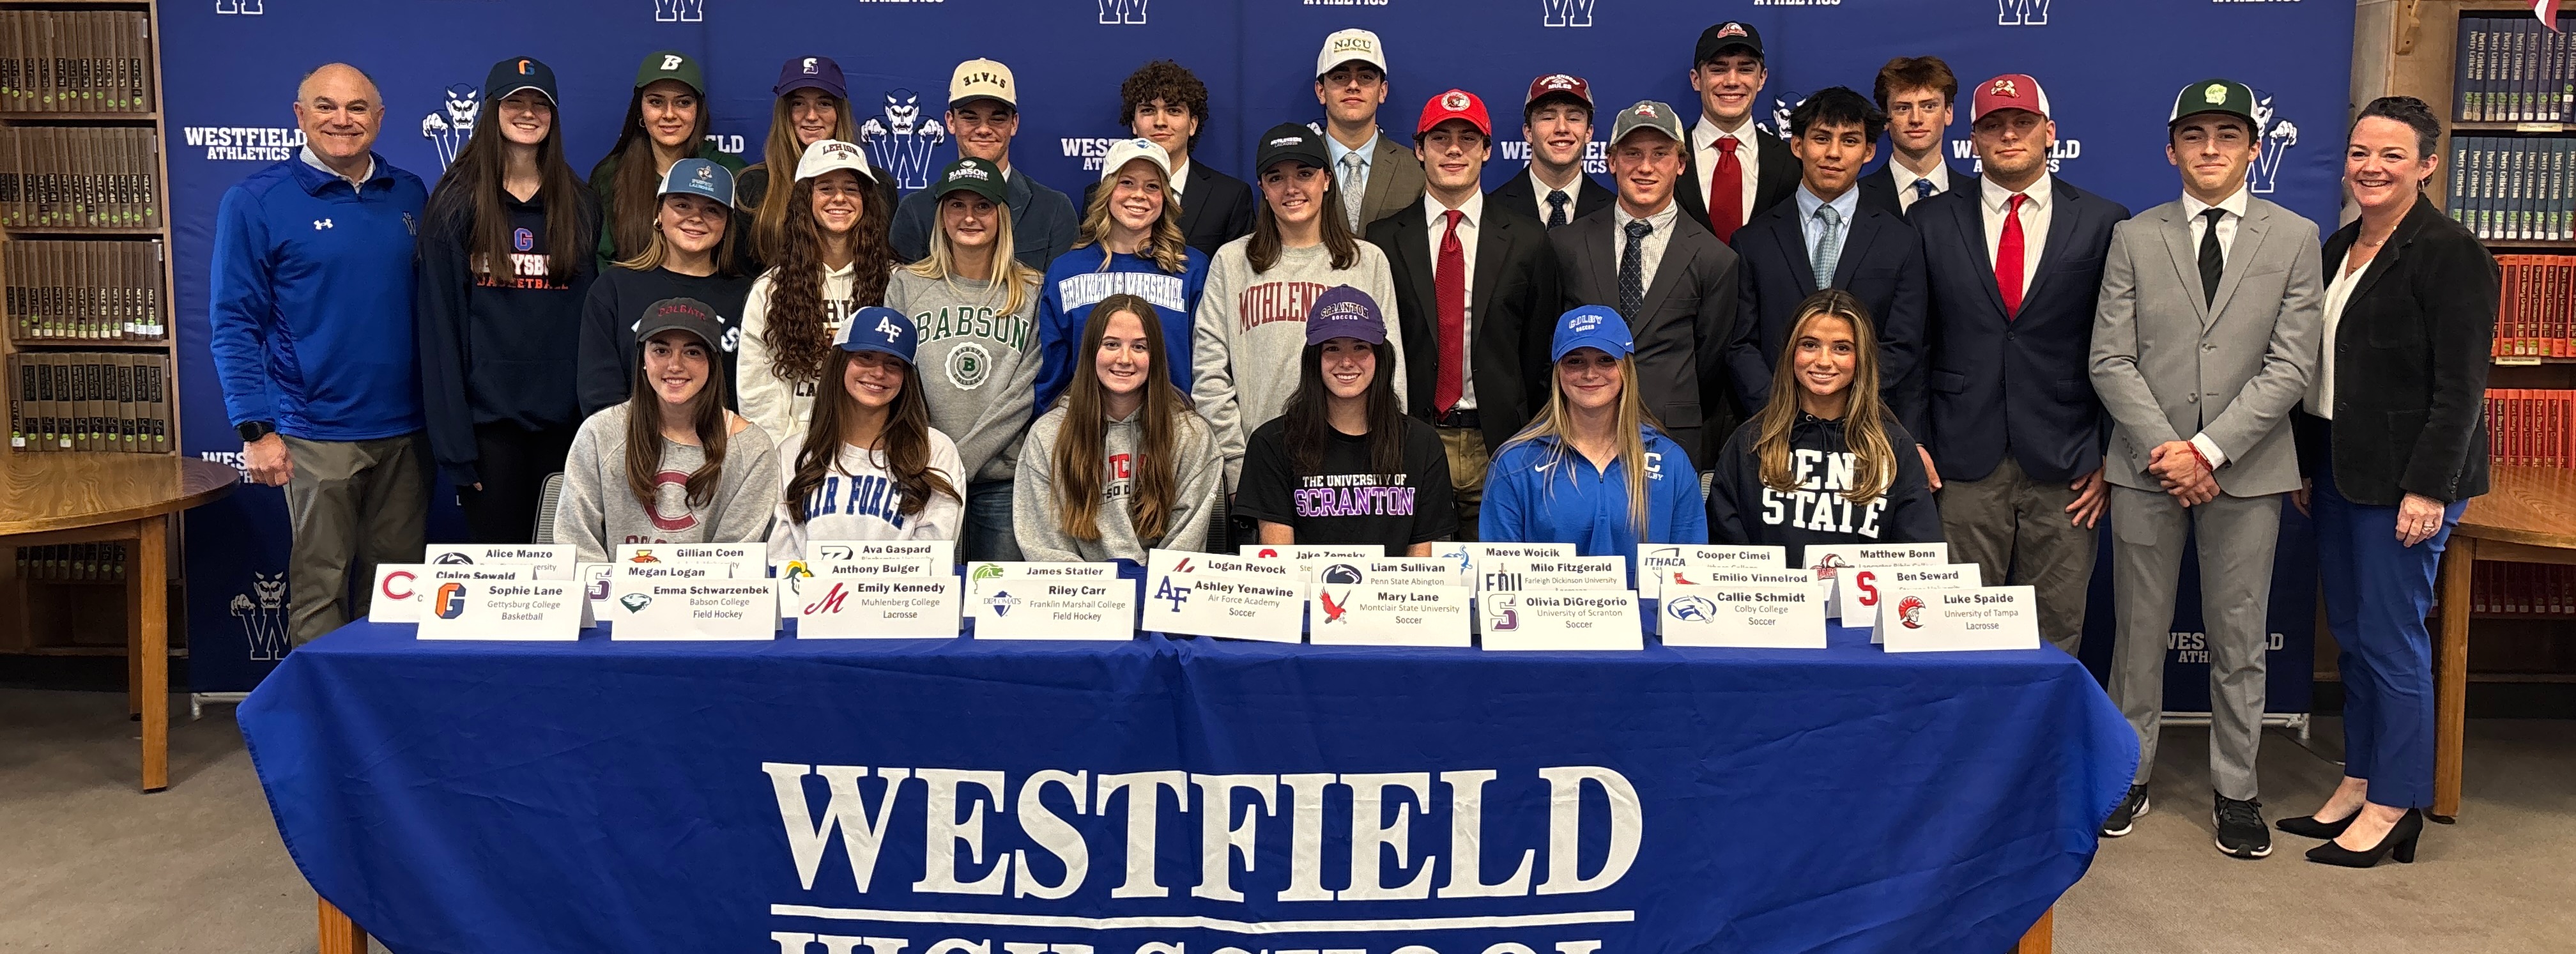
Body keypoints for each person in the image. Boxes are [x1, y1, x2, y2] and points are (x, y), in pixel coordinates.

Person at [2091, 79, 2323, 859]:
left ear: (2254, 149)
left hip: (2248, 470)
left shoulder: (2295, 236)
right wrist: (2171, 450)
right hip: (2147, 467)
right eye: (2195, 135)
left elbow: (2291, 365)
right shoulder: (2135, 236)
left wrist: (2210, 450)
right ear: (2171, 150)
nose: (2211, 148)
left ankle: (2237, 787)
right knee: (2138, 635)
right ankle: (2128, 773)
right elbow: (2110, 358)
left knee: (2239, 636)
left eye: (2228, 135)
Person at [2278, 96, 2495, 868]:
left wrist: (2430, 488)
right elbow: (2320, 373)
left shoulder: (2450, 252)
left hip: (2409, 480)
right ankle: (2361, 777)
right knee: (2355, 637)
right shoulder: (2340, 246)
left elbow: (2462, 388)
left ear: (2427, 165)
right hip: (2340, 468)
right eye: (2361, 152)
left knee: (2393, 639)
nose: (2371, 167)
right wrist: (2305, 463)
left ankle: (2396, 802)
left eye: (2392, 155)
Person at [208, 63, 429, 646]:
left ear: (379, 118)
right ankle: (318, 708)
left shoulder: (410, 192)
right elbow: (234, 323)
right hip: (316, 435)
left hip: (408, 434)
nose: (342, 120)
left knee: (397, 600)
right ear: (300, 116)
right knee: (319, 596)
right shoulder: (256, 201)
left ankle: (385, 705)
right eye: (326, 106)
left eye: (357, 108)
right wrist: (255, 428)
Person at [1913, 74, 2128, 656]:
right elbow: (1913, 344)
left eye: (2022, 122)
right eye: (1993, 125)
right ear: (1973, 140)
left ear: (2049, 132)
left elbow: (2120, 345)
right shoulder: (1929, 221)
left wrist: (2110, 453)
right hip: (1959, 460)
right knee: (1954, 631)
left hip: (2069, 463)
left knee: (2054, 632)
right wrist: (1914, 441)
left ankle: (2044, 724)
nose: (2008, 135)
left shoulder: (2104, 220)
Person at [415, 56, 602, 542]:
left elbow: (592, 326)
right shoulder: (455, 203)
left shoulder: (581, 204)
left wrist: (593, 429)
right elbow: (439, 329)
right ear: (492, 109)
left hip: (565, 431)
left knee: (563, 572)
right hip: (488, 434)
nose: (528, 113)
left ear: (553, 115)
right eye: (515, 101)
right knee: (502, 577)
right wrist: (456, 447)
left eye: (540, 104)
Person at [1366, 89, 1554, 539]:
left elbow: (1540, 350)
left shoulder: (1527, 239)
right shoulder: (1383, 240)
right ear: (1419, 149)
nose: (1454, 150)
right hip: (1411, 438)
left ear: (1487, 151)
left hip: (1501, 444)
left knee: (1499, 572)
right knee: (1416, 573)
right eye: (1440, 138)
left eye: (1468, 139)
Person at [1195, 123, 1405, 492]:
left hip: (1354, 470)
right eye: (1276, 177)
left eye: (1305, 174)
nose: (1291, 188)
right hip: (1260, 465)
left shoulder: (1367, 261)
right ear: (1262, 188)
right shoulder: (1232, 262)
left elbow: (1392, 369)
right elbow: (1210, 375)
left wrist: (1382, 458)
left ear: (1327, 180)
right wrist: (1238, 463)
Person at [1723, 86, 1929, 441]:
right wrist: (1780, 411)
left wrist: (1845, 410)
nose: (1833, 153)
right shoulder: (1753, 241)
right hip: (1774, 429)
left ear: (1869, 151)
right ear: (1797, 145)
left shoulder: (1901, 241)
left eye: (1849, 141)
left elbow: (1903, 345)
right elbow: (1740, 345)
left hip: (1865, 430)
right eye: (1821, 138)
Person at [1549, 100, 1739, 469]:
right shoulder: (1566, 245)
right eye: (1632, 153)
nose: (1646, 167)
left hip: (1670, 435)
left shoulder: (1715, 258)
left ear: (1681, 164)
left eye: (1660, 154)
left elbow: (1711, 364)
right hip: (1580, 431)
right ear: (1611, 161)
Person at [885, 157, 1046, 563]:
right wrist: (932, 461)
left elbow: (1024, 391)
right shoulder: (907, 285)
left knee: (1001, 598)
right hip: (922, 473)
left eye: (982, 206)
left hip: (1002, 479)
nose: (969, 217)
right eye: (957, 205)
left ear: (1001, 216)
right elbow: (897, 379)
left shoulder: (1031, 289)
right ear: (942, 216)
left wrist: (959, 461)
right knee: (924, 595)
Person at [1481, 306, 1708, 574]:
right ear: (1557, 371)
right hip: (1547, 603)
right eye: (1575, 361)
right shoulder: (1516, 464)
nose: (1590, 374)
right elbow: (1501, 574)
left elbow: (1690, 572)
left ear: (1626, 369)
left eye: (1605, 360)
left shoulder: (1671, 461)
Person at [556, 298, 780, 565]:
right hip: (616, 591)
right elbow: (576, 545)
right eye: (661, 351)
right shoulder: (598, 434)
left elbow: (735, 563)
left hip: (704, 592)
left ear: (712, 362)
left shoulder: (753, 450)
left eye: (692, 352)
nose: (675, 365)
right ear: (643, 360)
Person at [1707, 290, 1939, 547]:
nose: (1824, 361)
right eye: (1810, 345)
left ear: (1861, 358)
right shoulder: (1750, 443)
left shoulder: (1895, 448)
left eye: (1842, 348)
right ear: (1791, 351)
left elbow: (1920, 553)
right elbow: (1725, 551)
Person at [1234, 287, 1454, 554]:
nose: (1347, 362)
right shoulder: (1271, 444)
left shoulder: (1422, 444)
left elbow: (1422, 564)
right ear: (1314, 359)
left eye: (1360, 347)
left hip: (1395, 584)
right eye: (1333, 349)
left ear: (1381, 357)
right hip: (1305, 583)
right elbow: (1278, 564)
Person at [1016, 293, 1223, 562]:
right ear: (1091, 351)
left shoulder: (1190, 435)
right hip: (1078, 587)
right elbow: (1046, 547)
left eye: (1139, 347)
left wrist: (1143, 584)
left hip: (1162, 586)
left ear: (1155, 357)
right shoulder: (1048, 436)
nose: (1125, 358)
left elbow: (1185, 547)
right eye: (1112, 344)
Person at [767, 306, 966, 562]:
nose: (879, 372)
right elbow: (783, 559)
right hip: (812, 589)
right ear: (839, 363)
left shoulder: (935, 451)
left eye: (893, 363)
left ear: (906, 377)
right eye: (866, 357)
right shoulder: (793, 452)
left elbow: (932, 558)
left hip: (900, 588)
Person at [1034, 137, 1210, 414]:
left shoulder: (1191, 269)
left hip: (1170, 424)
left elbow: (1207, 365)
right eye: (1127, 183)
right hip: (1087, 425)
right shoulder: (1066, 271)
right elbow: (1053, 369)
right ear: (1107, 190)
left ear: (1165, 197)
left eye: (1152, 186)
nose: (1139, 195)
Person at [739, 140, 893, 454]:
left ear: (866, 200)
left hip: (877, 451)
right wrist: (789, 456)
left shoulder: (895, 281)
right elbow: (758, 390)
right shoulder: (771, 288)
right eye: (826, 188)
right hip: (796, 453)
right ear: (805, 199)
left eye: (851, 189)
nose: (839, 198)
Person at [576, 158, 751, 417]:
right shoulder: (614, 289)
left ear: (727, 224)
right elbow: (599, 395)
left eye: (712, 210)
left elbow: (753, 396)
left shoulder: (749, 295)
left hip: (722, 439)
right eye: (682, 205)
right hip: (632, 439)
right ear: (659, 213)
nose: (696, 218)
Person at [889, 59, 1080, 270]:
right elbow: (905, 287)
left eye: (997, 119)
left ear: (1014, 123)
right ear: (951, 122)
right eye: (971, 118)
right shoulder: (916, 210)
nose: (983, 129)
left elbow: (1061, 287)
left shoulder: (1054, 209)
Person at [1078, 60, 1257, 257]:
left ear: (1193, 124)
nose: (1160, 122)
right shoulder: (1099, 194)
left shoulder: (1230, 197)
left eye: (1173, 111)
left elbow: (1237, 271)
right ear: (1134, 124)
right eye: (1148, 110)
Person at [592, 50, 746, 271]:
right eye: (656, 102)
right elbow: (602, 263)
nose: (669, 114)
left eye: (683, 103)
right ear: (640, 111)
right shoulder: (611, 174)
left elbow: (744, 261)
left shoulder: (730, 172)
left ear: (698, 110)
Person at [1675, 21, 1797, 243]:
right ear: (1696, 80)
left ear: (1761, 79)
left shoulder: (1792, 162)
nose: (1732, 81)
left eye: (1745, 69)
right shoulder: (1666, 158)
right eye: (1718, 70)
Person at [738, 56, 860, 266]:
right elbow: (742, 271)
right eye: (798, 104)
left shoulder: (872, 184)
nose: (811, 116)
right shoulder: (754, 185)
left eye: (824, 104)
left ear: (840, 113)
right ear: (784, 113)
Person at [1313, 28, 1426, 233]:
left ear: (1382, 91)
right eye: (1340, 77)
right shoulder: (1298, 165)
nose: (1353, 85)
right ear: (1321, 91)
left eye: (1365, 77)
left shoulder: (1417, 169)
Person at [1486, 73, 1614, 229]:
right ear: (1528, 133)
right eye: (1548, 117)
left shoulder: (1613, 211)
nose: (1562, 128)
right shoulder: (1491, 210)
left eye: (1573, 118)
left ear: (1588, 133)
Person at [1858, 56, 1979, 219]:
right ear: (1885, 117)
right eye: (1903, 108)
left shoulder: (1978, 198)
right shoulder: (1857, 197)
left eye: (1929, 106)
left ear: (1948, 113)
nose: (1916, 119)